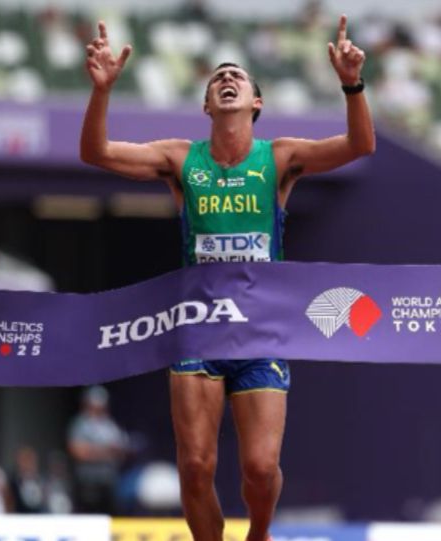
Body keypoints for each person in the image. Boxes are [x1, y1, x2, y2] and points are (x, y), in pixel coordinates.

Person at [79, 15, 373, 541]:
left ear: (255, 103)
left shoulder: (278, 158)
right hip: (200, 328)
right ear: (208, 107)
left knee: (260, 469)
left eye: (237, 76)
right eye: (218, 79)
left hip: (261, 332)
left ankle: (258, 534)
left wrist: (352, 84)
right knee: (195, 466)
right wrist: (102, 91)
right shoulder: (179, 159)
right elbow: (95, 153)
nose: (227, 79)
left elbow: (360, 146)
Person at [67, 385, 129, 514]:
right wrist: (105, 452)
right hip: (87, 482)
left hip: (108, 482)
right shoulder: (80, 424)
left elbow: (121, 449)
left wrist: (94, 450)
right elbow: (77, 451)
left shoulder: (110, 425)